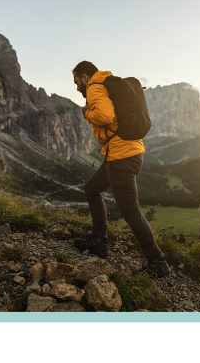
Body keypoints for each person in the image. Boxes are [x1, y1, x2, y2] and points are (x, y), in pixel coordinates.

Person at [71, 60, 171, 278]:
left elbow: (105, 117)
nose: (77, 86)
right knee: (92, 188)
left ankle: (157, 261)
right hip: (123, 152)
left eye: (77, 81)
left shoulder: (95, 88)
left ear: (85, 77)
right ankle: (99, 241)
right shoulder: (107, 84)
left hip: (122, 157)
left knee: (131, 212)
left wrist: (86, 112)